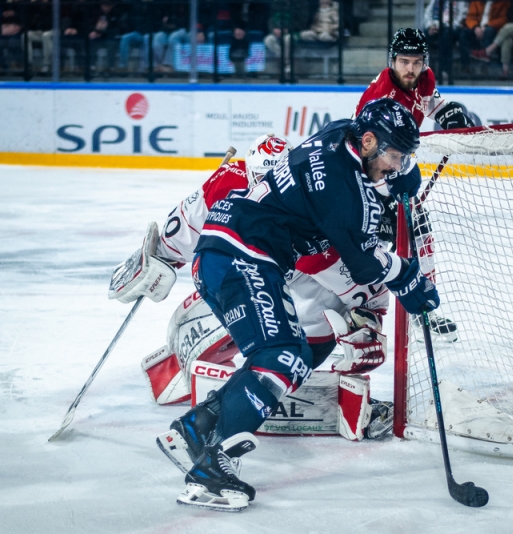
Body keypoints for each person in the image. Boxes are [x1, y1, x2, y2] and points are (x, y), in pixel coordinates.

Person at [111, 99, 437, 511]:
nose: (395, 165)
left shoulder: (342, 134)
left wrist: (402, 174)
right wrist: (407, 277)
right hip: (242, 254)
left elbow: (363, 200)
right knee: (281, 355)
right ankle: (211, 471)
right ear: (369, 141)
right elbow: (361, 262)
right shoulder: (342, 188)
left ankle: (195, 429)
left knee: (296, 353)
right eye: (394, 156)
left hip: (237, 252)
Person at [356, 27, 470, 340]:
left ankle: (424, 312)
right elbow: (363, 156)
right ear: (392, 61)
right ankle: (356, 314)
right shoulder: (379, 98)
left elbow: (429, 103)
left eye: (416, 61)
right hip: (369, 181)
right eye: (404, 61)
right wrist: (382, 197)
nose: (410, 68)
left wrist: (448, 111)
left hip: (399, 170)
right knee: (369, 252)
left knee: (422, 236)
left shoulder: (425, 78)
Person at [422, 0, 468, 81]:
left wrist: (447, 25)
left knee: (446, 37)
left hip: (452, 28)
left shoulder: (460, 2)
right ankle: (426, 68)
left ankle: (445, 70)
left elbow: (461, 17)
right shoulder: (434, 1)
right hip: (435, 27)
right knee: (424, 35)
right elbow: (427, 14)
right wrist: (430, 26)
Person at [458, 0, 510, 73]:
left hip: (493, 28)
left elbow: (503, 19)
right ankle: (465, 66)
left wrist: (487, 26)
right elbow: (470, 17)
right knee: (464, 33)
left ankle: (485, 66)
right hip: (477, 27)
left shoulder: (502, 2)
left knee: (488, 31)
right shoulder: (476, 2)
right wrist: (475, 27)